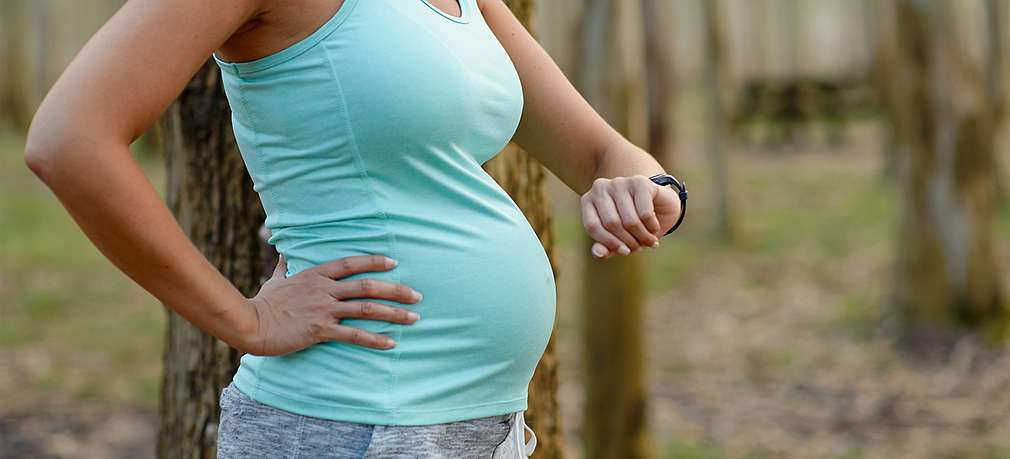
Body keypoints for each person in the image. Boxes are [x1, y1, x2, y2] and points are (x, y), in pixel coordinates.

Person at [23, 0, 684, 457]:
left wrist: (651, 192)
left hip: (482, 424)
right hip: (352, 425)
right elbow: (69, 140)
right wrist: (242, 320)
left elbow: (603, 154)